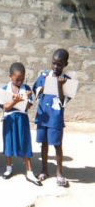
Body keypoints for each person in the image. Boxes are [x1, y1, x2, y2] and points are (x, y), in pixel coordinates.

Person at [33, 49, 71, 187]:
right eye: (54, 63)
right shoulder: (43, 76)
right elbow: (35, 91)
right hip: (43, 117)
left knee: (57, 145)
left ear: (65, 64)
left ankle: (59, 172)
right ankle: (44, 170)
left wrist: (60, 86)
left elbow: (63, 102)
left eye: (59, 64)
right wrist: (41, 89)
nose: (56, 67)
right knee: (43, 144)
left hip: (55, 119)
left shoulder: (67, 81)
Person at [2, 62, 42, 186]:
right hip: (9, 121)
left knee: (25, 143)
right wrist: (15, 101)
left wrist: (25, 99)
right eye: (17, 79)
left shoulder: (27, 89)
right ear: (10, 76)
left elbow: (28, 106)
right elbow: (5, 108)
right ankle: (8, 168)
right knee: (9, 143)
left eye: (22, 79)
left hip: (22, 120)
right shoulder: (5, 89)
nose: (20, 82)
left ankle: (29, 172)